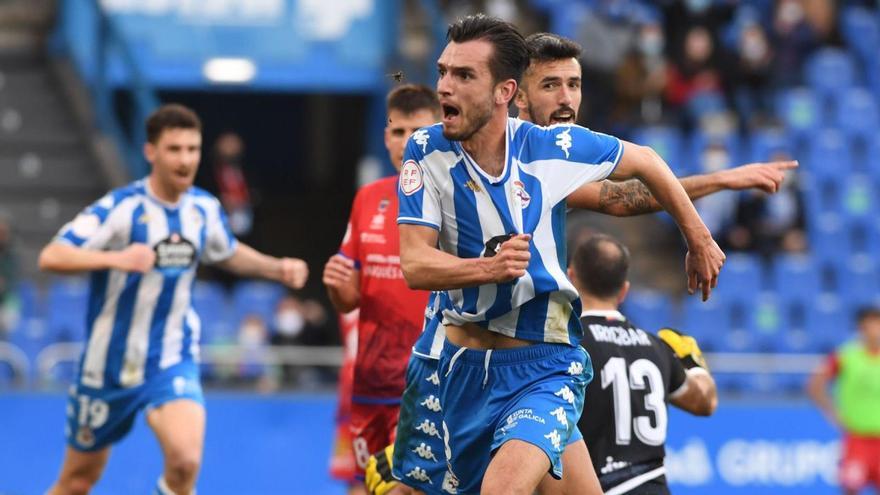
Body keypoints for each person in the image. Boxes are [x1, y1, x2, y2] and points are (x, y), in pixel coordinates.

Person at [369, 31, 793, 495]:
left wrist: (717, 188)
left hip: (540, 359)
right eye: (552, 85)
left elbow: (628, 193)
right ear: (515, 94)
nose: (567, 97)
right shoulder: (444, 153)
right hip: (447, 359)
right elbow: (622, 198)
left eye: (574, 84)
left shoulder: (552, 156)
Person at [39, 103, 308, 495]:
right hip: (108, 366)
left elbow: (226, 250)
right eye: (174, 149)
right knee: (78, 481)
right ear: (151, 152)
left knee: (185, 462)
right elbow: (52, 255)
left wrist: (276, 268)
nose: (185, 160)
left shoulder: (203, 208)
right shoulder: (121, 208)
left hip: (170, 358)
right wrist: (117, 257)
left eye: (192, 149)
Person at [322, 84, 441, 483]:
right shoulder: (368, 199)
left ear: (439, 131)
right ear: (385, 136)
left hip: (432, 378)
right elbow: (350, 298)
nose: (406, 142)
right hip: (373, 382)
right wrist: (338, 286)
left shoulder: (456, 196)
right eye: (397, 131)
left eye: (417, 132)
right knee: (372, 485)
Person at [546, 233, 717, 494]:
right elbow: (705, 401)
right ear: (624, 289)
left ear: (571, 277)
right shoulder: (656, 347)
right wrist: (692, 363)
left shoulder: (567, 346)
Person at [808, 307, 880, 495]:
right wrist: (833, 414)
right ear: (861, 328)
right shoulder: (847, 356)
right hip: (858, 440)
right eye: (871, 325)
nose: (876, 330)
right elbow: (815, 384)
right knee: (851, 489)